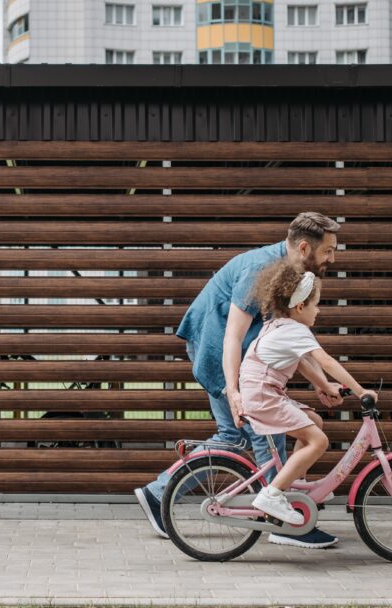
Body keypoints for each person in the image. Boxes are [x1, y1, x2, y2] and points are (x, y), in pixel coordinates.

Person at [134, 212, 343, 548]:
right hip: (216, 347)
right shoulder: (261, 270)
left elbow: (285, 338)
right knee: (264, 428)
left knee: (234, 436)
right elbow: (232, 336)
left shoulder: (292, 273)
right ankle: (276, 518)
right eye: (329, 251)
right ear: (304, 247)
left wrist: (320, 382)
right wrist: (234, 391)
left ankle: (159, 493)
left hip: (236, 352)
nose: (333, 258)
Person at [242, 261, 377, 524]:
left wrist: (325, 386)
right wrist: (361, 391)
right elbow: (325, 361)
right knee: (319, 441)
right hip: (263, 396)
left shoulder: (278, 324)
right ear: (300, 306)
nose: (319, 310)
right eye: (316, 304)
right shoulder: (295, 328)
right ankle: (272, 494)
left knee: (314, 422)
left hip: (264, 392)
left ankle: (295, 484)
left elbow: (303, 362)